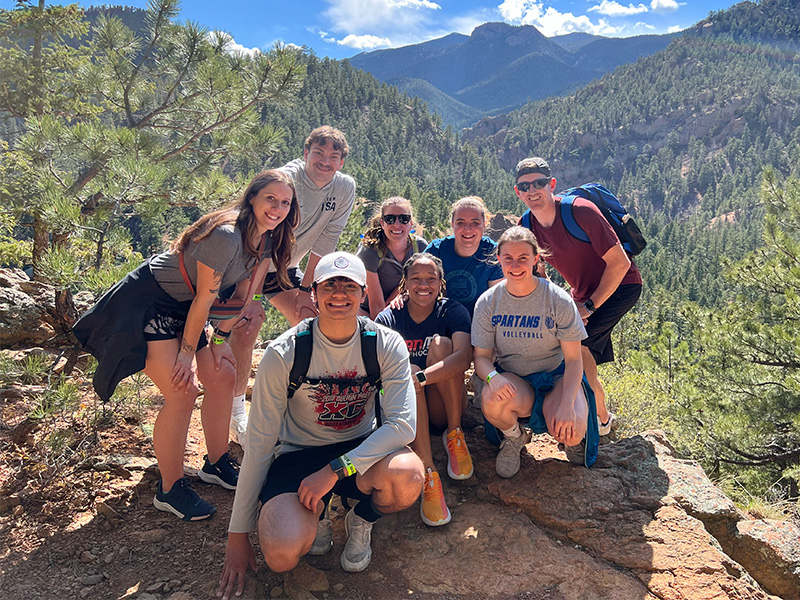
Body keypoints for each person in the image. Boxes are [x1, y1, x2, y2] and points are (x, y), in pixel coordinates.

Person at [73, 170, 299, 521]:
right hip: (151, 302)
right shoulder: (226, 237)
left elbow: (243, 294)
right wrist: (186, 354)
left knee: (223, 375)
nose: (278, 208)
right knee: (183, 389)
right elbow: (202, 304)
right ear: (252, 197)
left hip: (189, 307)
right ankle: (170, 488)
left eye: (285, 202)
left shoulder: (268, 239)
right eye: (271, 198)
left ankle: (216, 463)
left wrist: (221, 340)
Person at [217, 252, 423, 598]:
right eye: (330, 285)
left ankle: (361, 517)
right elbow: (260, 443)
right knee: (281, 556)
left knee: (408, 476)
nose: (339, 294)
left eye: (349, 287)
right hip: (298, 452)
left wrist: (334, 470)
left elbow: (403, 426)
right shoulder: (285, 353)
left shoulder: (385, 345)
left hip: (357, 450)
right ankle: (321, 511)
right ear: (314, 293)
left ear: (362, 293)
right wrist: (237, 534)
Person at [228, 126, 356, 446]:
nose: (325, 162)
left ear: (342, 162)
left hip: (285, 266)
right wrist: (253, 295)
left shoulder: (343, 188)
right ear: (305, 153)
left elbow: (327, 240)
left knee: (312, 321)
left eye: (333, 156)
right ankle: (235, 415)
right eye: (319, 153)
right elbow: (262, 235)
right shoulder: (287, 181)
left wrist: (305, 290)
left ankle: (298, 409)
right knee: (244, 329)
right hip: (248, 262)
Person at [514, 157, 642, 436]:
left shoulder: (581, 211)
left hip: (621, 286)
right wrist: (559, 303)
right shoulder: (528, 225)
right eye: (525, 186)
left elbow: (620, 263)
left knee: (578, 347)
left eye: (539, 183)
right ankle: (602, 418)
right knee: (578, 353)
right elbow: (538, 274)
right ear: (517, 192)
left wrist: (589, 307)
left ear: (552, 184)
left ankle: (597, 421)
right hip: (582, 296)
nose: (532, 191)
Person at [472, 226, 599, 478]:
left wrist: (566, 405)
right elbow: (481, 359)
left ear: (535, 258)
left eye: (523, 258)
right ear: (498, 258)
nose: (515, 265)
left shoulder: (557, 299)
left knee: (572, 427)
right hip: (515, 379)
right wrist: (492, 378)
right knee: (491, 398)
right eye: (508, 258)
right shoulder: (488, 302)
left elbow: (574, 360)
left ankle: (569, 439)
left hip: (556, 377)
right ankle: (514, 437)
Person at [375, 253, 472, 527]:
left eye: (431, 278)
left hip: (443, 404)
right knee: (405, 372)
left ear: (441, 283)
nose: (423, 285)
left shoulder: (452, 311)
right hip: (408, 414)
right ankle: (429, 473)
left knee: (442, 345)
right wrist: (412, 380)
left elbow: (464, 357)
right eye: (416, 278)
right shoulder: (389, 318)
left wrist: (422, 377)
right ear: (404, 283)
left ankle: (454, 434)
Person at [423, 196, 503, 317]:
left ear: (484, 225)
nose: (468, 229)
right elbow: (417, 283)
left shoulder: (493, 253)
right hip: (439, 320)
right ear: (452, 224)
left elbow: (496, 302)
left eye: (475, 223)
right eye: (460, 223)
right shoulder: (437, 250)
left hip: (480, 321)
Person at [356, 196, 427, 319]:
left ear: (411, 224)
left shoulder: (419, 247)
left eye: (404, 219)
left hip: (398, 307)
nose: (397, 224)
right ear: (382, 223)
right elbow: (377, 308)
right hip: (366, 312)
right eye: (390, 219)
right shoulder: (370, 252)